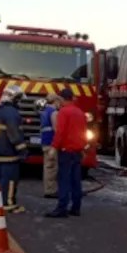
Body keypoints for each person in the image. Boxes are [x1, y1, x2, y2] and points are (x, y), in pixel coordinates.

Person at [45, 88, 86, 218]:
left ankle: (61, 208)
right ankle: (76, 207)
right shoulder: (80, 112)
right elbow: (83, 133)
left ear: (62, 99)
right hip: (77, 151)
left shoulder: (63, 112)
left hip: (66, 151)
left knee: (63, 180)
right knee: (76, 180)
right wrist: (83, 148)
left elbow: (60, 133)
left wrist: (53, 148)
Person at [0, 84, 28, 213]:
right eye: (18, 99)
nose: (19, 102)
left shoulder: (0, 110)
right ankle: (8, 204)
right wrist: (22, 150)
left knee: (0, 180)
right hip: (9, 153)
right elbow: (14, 134)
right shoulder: (12, 113)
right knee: (10, 180)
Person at [39, 93, 61, 198]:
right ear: (55, 101)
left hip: (45, 141)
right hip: (51, 143)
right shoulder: (54, 113)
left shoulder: (44, 111)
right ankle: (51, 190)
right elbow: (56, 129)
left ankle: (48, 189)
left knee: (47, 167)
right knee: (52, 168)